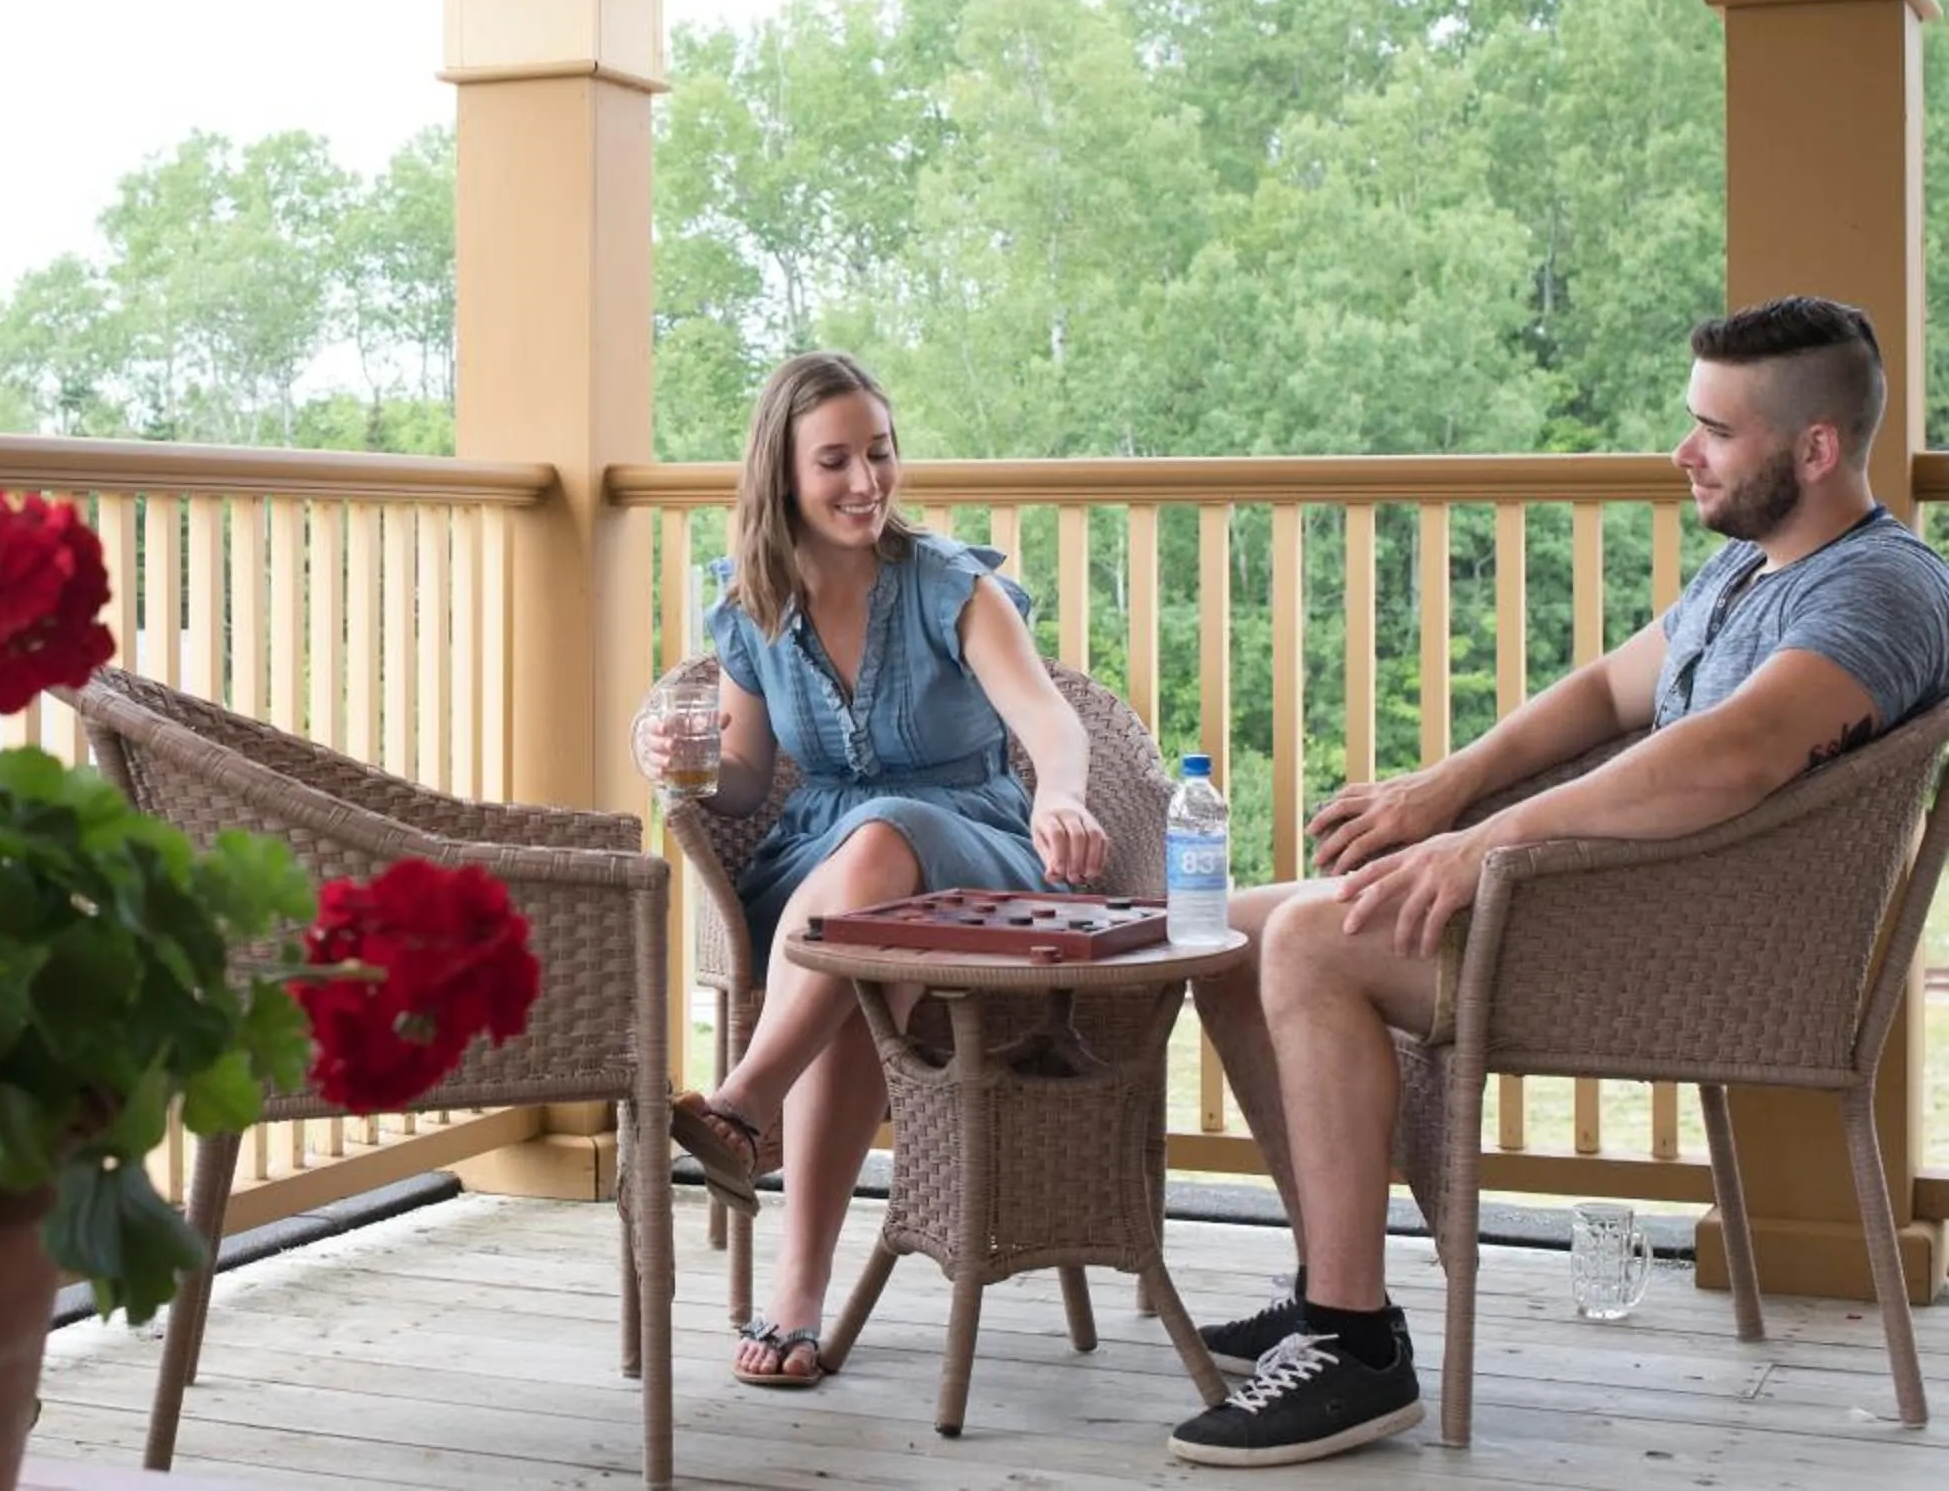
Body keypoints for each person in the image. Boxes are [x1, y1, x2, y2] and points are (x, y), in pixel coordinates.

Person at [1170, 295, 1949, 1467]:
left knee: (1313, 940)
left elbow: (1730, 756)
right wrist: (1447, 787)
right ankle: (1331, 1282)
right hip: (1621, 916)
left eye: (1715, 432)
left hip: (1695, 953)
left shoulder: (1873, 592)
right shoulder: (1753, 570)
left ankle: (1357, 1345)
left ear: (1817, 449)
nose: (1683, 452)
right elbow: (1605, 694)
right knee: (1233, 933)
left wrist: (1485, 844)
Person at [641, 350, 1113, 1388]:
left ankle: (745, 1106)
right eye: (837, 461)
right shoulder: (751, 610)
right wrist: (688, 773)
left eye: (881, 452)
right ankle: (796, 1299)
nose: (867, 482)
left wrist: (1062, 794)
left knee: (884, 841)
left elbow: (1048, 720)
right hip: (825, 871)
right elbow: (747, 783)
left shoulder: (954, 586)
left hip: (973, 846)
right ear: (784, 478)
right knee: (861, 927)